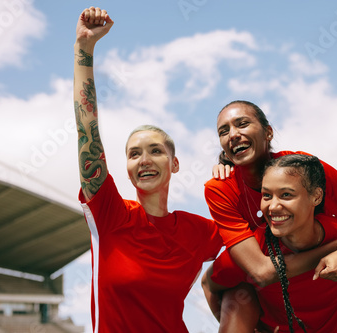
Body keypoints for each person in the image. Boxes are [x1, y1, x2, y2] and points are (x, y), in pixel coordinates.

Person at [73, 7, 223, 332]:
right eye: (134, 154)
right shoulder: (110, 214)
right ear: (126, 168)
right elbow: (88, 130)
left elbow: (260, 242)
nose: (144, 160)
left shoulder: (200, 232)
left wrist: (232, 175)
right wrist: (84, 49)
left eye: (155, 151)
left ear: (175, 163)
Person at [202, 100, 337, 332]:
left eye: (242, 124)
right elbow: (259, 272)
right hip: (265, 287)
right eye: (223, 131)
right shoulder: (221, 188)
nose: (233, 135)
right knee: (239, 295)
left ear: (268, 132)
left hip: (321, 280)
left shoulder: (306, 170)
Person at [204, 154, 337, 332]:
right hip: (274, 324)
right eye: (266, 195)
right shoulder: (255, 252)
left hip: (329, 322)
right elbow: (208, 283)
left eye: (286, 195)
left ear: (316, 197)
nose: (273, 206)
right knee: (237, 297)